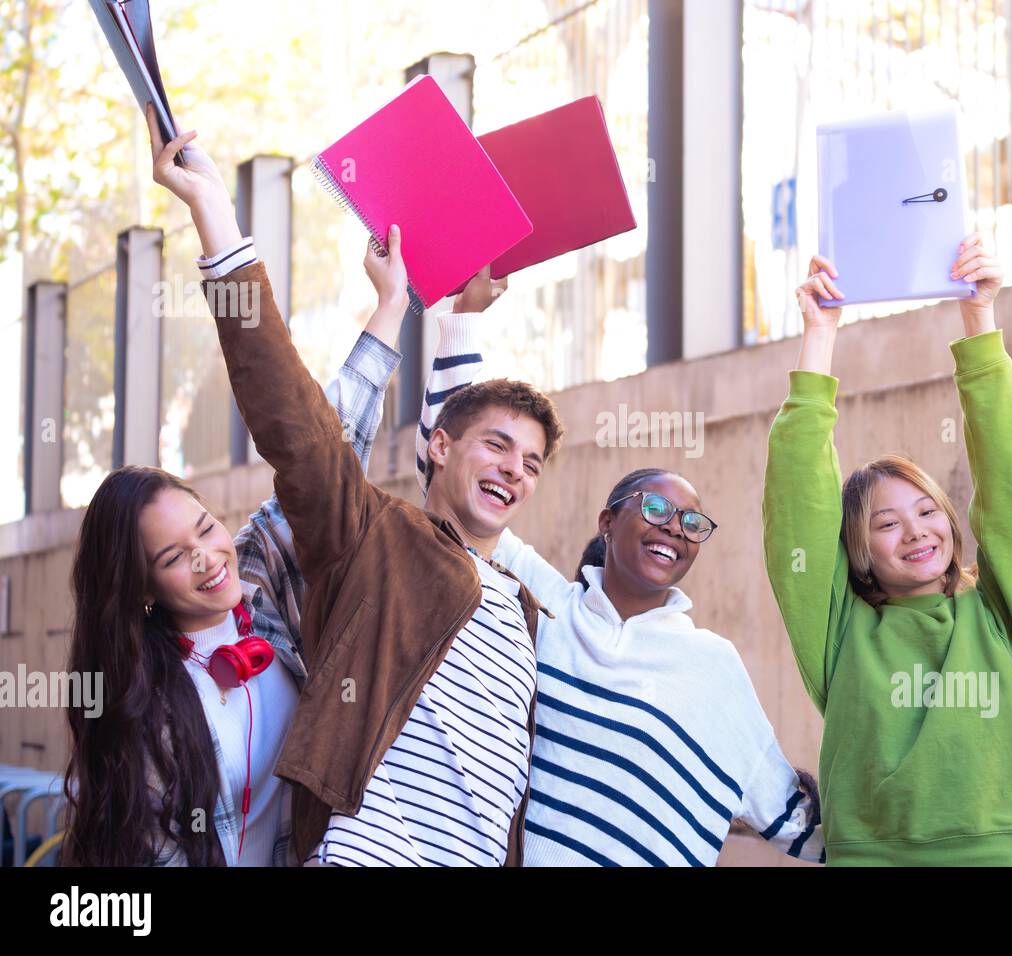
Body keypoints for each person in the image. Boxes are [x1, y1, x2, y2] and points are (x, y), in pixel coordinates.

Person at [146, 113, 561, 867]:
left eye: (532, 464)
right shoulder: (377, 539)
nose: (514, 469)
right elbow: (302, 428)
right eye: (499, 447)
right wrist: (215, 218)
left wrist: (459, 316)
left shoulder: (528, 606)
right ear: (436, 446)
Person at [61, 164, 414, 866]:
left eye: (204, 528)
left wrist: (392, 303)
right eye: (173, 557)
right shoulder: (139, 704)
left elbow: (328, 444)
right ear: (143, 587)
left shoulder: (260, 581)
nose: (206, 558)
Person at [406, 318, 823, 865]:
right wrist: (463, 321)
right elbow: (451, 480)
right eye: (657, 508)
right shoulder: (542, 608)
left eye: (692, 522)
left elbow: (801, 828)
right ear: (608, 522)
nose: (675, 528)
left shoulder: (713, 667)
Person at [762, 239, 1012, 865]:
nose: (916, 532)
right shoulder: (841, 633)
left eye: (927, 512)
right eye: (887, 524)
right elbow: (798, 505)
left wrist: (979, 320)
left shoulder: (1006, 615)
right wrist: (820, 335)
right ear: (858, 552)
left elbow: (1007, 490)